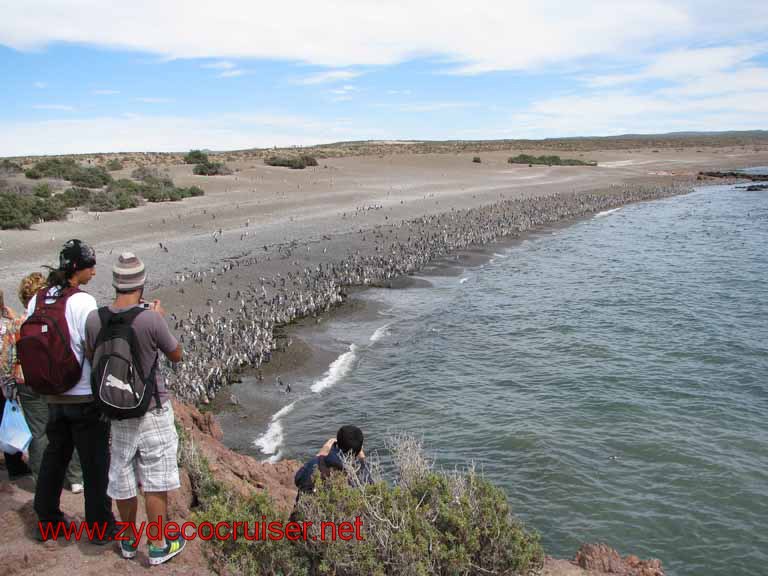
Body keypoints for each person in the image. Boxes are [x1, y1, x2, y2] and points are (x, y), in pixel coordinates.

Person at [85, 252, 185, 565]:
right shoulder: (149, 319)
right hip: (151, 408)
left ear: (115, 282)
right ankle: (158, 545)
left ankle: (128, 541)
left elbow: (92, 358)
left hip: (115, 409)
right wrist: (158, 318)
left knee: (123, 476)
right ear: (141, 283)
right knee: (155, 477)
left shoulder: (94, 318)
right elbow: (176, 354)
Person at [30, 239, 116, 542]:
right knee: (95, 463)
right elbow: (95, 349)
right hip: (82, 395)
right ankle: (100, 527)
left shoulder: (38, 299)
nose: (94, 271)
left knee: (56, 456)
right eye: (90, 266)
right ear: (77, 269)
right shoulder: (83, 302)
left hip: (52, 394)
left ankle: (47, 520)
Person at [14, 273, 84, 490]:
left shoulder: (19, 322)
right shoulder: (51, 318)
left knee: (39, 432)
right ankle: (75, 478)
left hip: (26, 379)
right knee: (65, 426)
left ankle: (42, 481)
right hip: (51, 377)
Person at [0, 289, 32, 480]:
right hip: (4, 382)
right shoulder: (7, 326)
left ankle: (14, 464)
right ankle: (14, 464)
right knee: (6, 418)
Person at [294, 425, 373, 495]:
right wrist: (362, 458)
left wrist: (320, 455)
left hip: (310, 509)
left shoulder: (316, 464)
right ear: (360, 449)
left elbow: (298, 479)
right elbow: (371, 487)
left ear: (337, 444)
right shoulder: (362, 473)